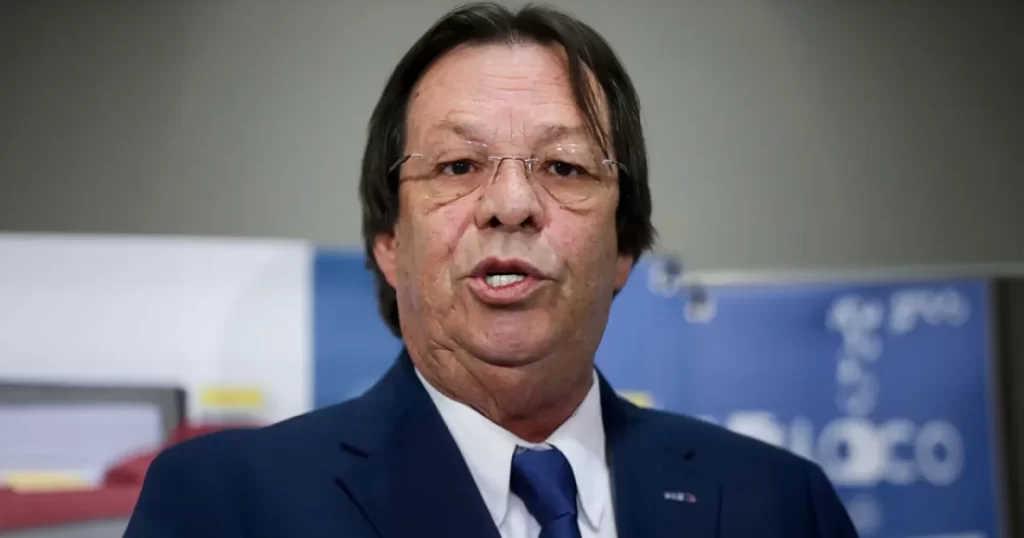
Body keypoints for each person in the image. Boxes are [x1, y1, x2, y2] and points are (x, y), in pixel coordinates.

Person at [124, 3, 858, 537]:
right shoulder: (227, 506)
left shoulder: (781, 506)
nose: (511, 205)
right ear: (389, 241)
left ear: (624, 248)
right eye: (458, 165)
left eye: (564, 166)